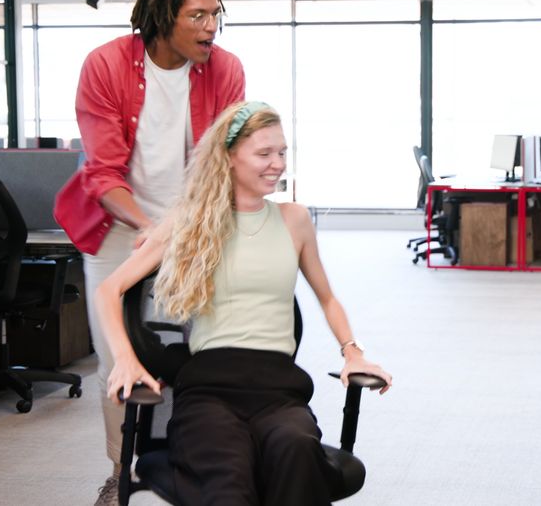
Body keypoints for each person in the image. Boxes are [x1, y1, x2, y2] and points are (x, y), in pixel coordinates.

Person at [94, 101, 392, 505]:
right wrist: (126, 360)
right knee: (227, 476)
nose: (277, 164)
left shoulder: (294, 219)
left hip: (279, 390)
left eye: (283, 152)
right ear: (230, 156)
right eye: (264, 153)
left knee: (297, 451)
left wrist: (353, 352)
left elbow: (328, 298)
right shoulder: (189, 221)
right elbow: (109, 289)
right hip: (209, 390)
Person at [51, 0, 244, 504]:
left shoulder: (225, 70)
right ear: (163, 17)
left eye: (216, 14)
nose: (212, 28)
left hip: (192, 225)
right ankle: (122, 470)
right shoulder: (107, 65)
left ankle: (193, 463)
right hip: (116, 228)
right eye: (199, 16)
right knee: (120, 356)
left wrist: (192, 226)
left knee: (200, 349)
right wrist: (146, 225)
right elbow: (104, 172)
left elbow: (226, 161)